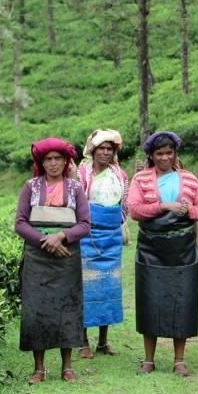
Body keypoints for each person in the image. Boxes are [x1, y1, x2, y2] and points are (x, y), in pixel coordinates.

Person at [127, 131, 198, 377]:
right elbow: (134, 210)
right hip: (150, 249)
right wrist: (164, 206)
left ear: (175, 155)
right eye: (160, 153)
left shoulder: (190, 179)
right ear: (151, 156)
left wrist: (187, 211)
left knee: (182, 301)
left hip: (182, 250)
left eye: (169, 153)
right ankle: (149, 360)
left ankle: (179, 360)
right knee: (149, 301)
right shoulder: (140, 179)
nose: (165, 158)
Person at [14, 138, 90, 384]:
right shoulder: (31, 187)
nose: (54, 163)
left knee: (67, 307)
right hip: (38, 257)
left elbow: (84, 225)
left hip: (67, 257)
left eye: (58, 158)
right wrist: (45, 240)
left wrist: (61, 236)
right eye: (48, 159)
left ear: (66, 161)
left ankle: (67, 366)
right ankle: (39, 368)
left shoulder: (76, 188)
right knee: (37, 309)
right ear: (41, 162)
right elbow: (21, 223)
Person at [76, 129, 128, 359]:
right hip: (88, 235)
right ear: (93, 151)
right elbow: (77, 202)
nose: (106, 153)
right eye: (102, 149)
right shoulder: (82, 173)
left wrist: (117, 222)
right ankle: (83, 341)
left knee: (109, 286)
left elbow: (123, 204)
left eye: (110, 149)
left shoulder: (118, 174)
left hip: (111, 236)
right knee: (88, 287)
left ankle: (103, 341)